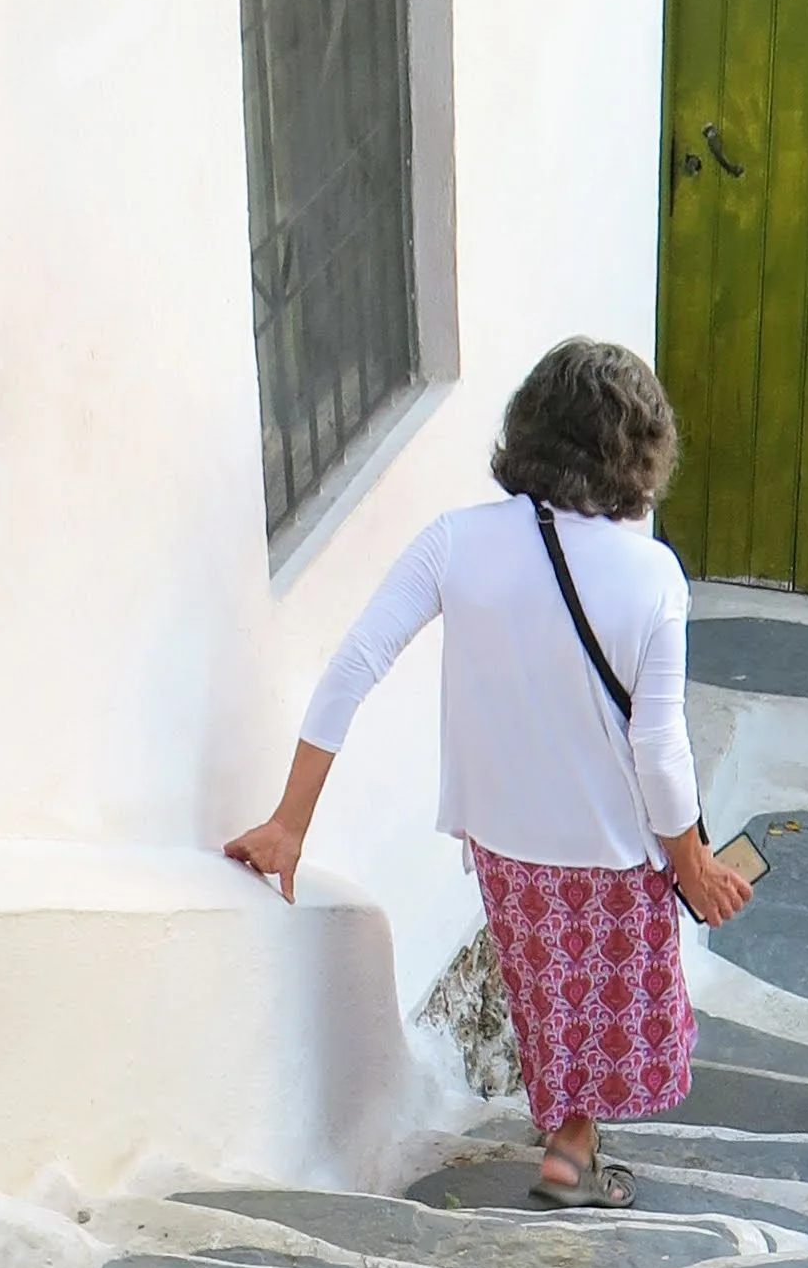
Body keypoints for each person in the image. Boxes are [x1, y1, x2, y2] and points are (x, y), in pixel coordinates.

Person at [227, 336, 749, 1208]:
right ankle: (572, 1154)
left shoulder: (455, 543)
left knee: (548, 994)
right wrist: (691, 860)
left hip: (504, 838)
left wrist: (288, 823)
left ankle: (566, 1147)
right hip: (614, 845)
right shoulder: (654, 575)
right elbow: (659, 750)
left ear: (531, 430)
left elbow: (353, 666)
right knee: (608, 1005)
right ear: (640, 451)